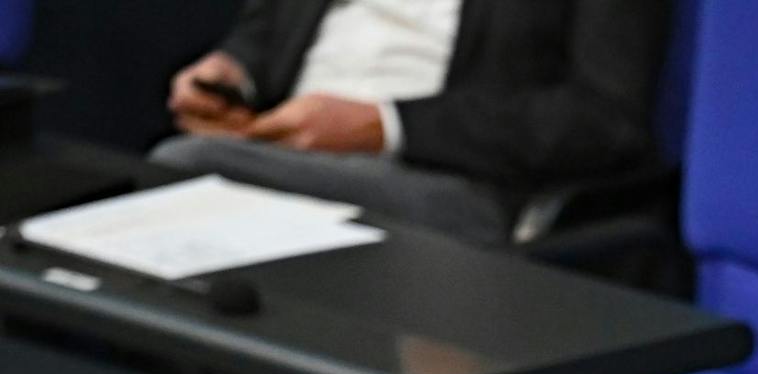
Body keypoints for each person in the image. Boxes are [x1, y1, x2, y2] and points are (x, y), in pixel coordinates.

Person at [151, 0, 667, 244]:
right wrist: (231, 74)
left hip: (449, 180)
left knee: (183, 169)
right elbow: (264, 30)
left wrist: (387, 125)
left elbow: (604, 122)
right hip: (282, 150)